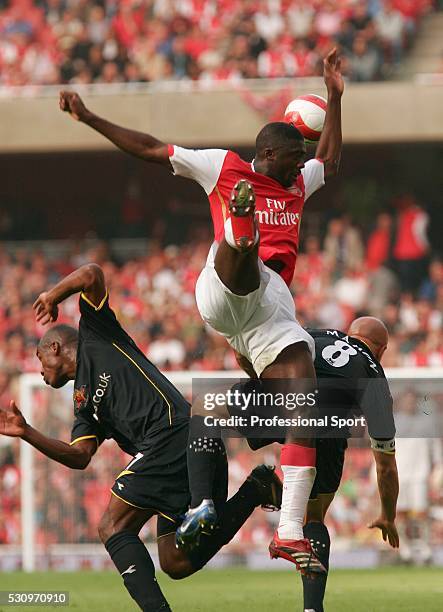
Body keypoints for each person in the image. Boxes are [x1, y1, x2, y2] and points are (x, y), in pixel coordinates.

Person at [59, 47, 343, 574]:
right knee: (246, 259)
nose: (301, 161)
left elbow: (330, 160)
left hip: (266, 313)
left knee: (306, 397)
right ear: (267, 155)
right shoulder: (224, 165)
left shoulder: (298, 181)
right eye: (293, 153)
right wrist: (91, 117)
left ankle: (287, 532)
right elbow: (147, 147)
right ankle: (240, 230)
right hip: (224, 284)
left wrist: (334, 95)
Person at [0, 263, 282, 612]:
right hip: (172, 460)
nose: (38, 369)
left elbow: (92, 274)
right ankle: (256, 488)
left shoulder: (97, 334)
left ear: (55, 347)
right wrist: (27, 433)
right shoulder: (83, 405)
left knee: (112, 525)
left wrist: (53, 295)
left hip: (180, 434)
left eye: (39, 357)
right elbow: (80, 456)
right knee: (176, 562)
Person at [197, 316, 400, 612]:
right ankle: (312, 609)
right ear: (381, 350)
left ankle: (200, 502)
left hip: (285, 400)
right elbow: (384, 466)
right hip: (327, 424)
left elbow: (257, 355)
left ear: (349, 334)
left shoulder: (316, 334)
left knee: (205, 408)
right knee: (314, 517)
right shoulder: (374, 375)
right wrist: (388, 515)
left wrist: (256, 384)